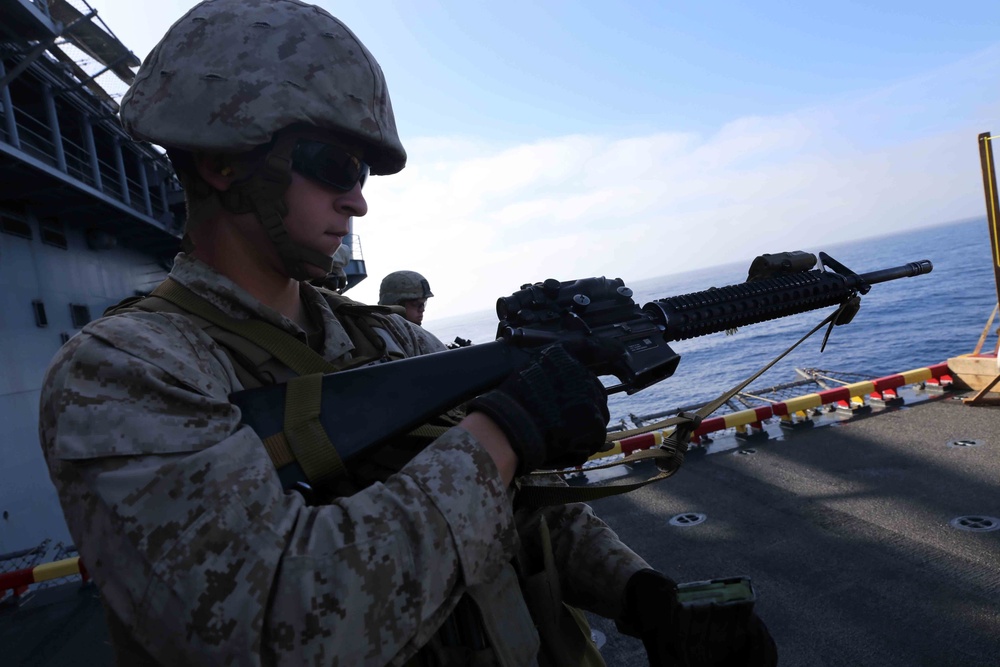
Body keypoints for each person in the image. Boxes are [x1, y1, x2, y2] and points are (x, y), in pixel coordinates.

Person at [37, 1, 777, 666]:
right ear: (223, 158)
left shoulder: (391, 343)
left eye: (362, 171)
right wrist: (506, 430)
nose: (357, 199)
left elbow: (520, 510)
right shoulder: (124, 374)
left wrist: (642, 595)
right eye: (333, 164)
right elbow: (267, 628)